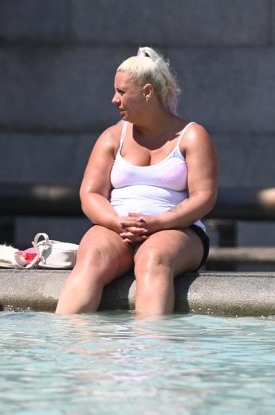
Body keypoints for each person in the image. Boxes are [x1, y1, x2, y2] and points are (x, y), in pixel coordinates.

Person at [55, 47, 217, 316]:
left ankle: (151, 350)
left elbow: (204, 198)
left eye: (121, 92)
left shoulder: (192, 136)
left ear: (148, 92)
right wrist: (115, 222)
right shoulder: (111, 136)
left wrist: (158, 223)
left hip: (176, 228)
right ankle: (69, 345)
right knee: (91, 257)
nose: (113, 100)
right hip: (116, 225)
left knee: (153, 259)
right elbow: (91, 193)